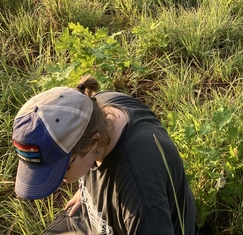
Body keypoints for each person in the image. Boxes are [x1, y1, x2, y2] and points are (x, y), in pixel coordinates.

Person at [12, 75, 196, 235]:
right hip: (94, 218)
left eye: (63, 169)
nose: (61, 180)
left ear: (93, 141)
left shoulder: (140, 193)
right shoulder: (96, 107)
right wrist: (88, 192)